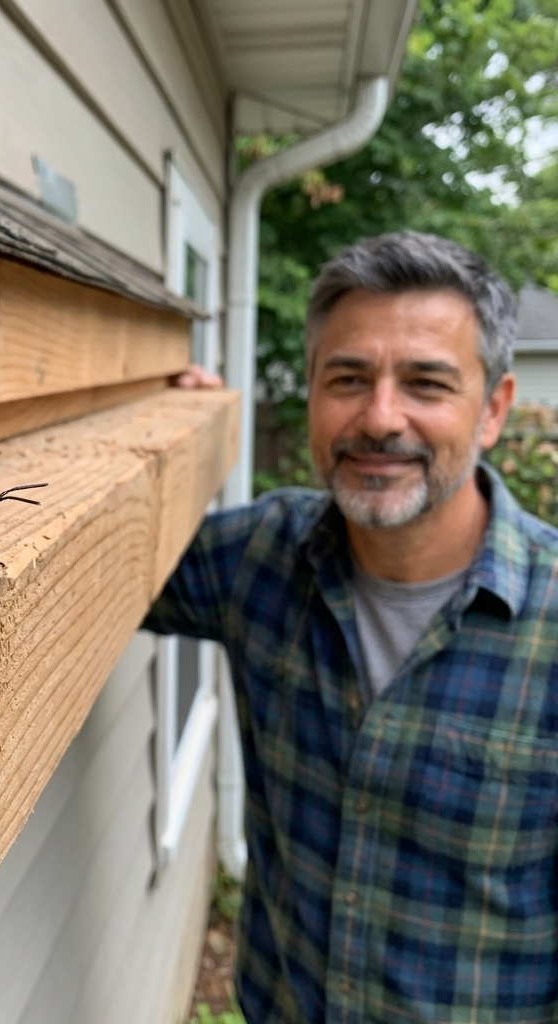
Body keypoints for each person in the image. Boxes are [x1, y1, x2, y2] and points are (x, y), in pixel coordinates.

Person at [146, 231, 558, 1024]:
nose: (379, 418)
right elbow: (104, 559)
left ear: (495, 409)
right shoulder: (259, 560)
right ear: (310, 392)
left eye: (427, 384)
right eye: (348, 378)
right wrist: (157, 431)